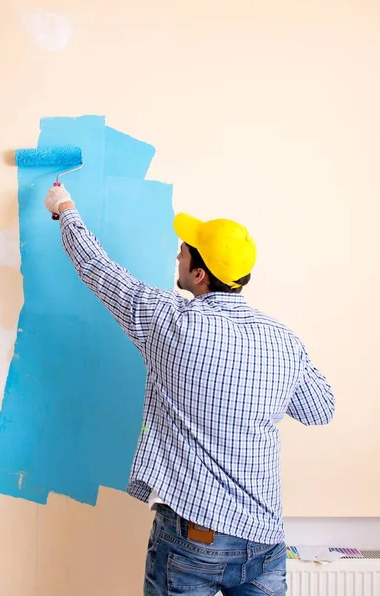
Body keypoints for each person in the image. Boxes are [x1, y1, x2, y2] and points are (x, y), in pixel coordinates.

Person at [44, 184, 335, 596]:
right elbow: (320, 409)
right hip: (266, 542)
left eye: (184, 251)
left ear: (199, 275)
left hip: (195, 541)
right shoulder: (282, 340)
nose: (178, 255)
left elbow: (98, 269)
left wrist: (65, 208)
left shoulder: (170, 322)